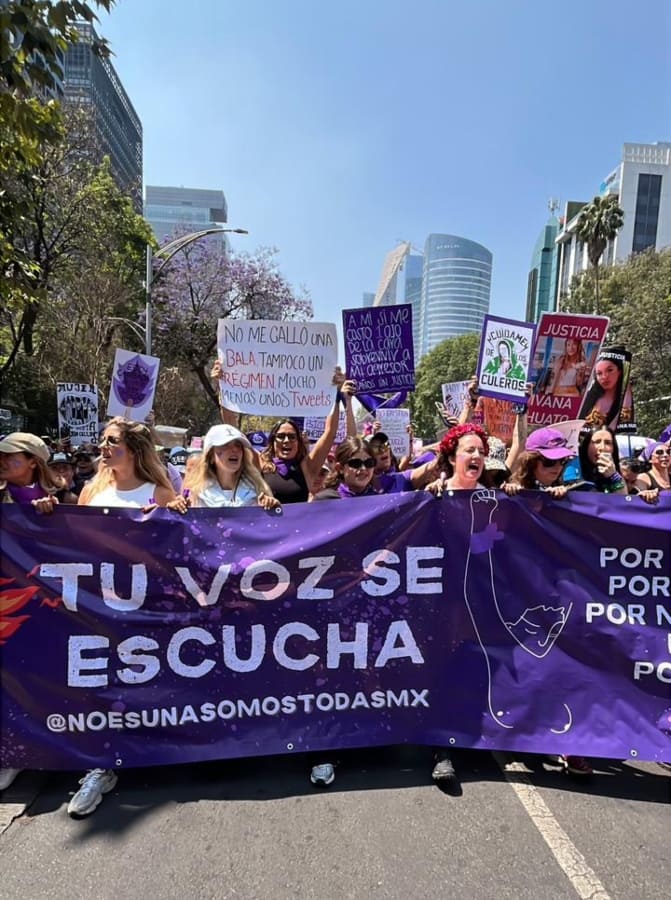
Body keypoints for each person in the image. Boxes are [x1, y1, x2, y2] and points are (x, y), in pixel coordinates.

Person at [70, 419, 176, 817]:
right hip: (95, 603)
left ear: (132, 450)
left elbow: (179, 549)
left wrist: (170, 516)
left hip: (147, 606)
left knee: (146, 680)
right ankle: (101, 766)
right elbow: (70, 543)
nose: (102, 446)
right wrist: (45, 512)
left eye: (111, 441)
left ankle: (157, 749)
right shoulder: (90, 490)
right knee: (100, 682)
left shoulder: (159, 492)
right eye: (103, 440)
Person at [259, 378, 357, 504]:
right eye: (281, 436)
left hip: (299, 517)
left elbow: (330, 433)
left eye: (292, 437)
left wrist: (335, 397)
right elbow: (237, 443)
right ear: (273, 441)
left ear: (298, 442)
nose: (286, 441)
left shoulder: (307, 467)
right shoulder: (261, 463)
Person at [170, 424, 279, 512]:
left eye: (238, 445)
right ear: (211, 456)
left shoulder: (257, 491)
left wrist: (272, 507)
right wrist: (175, 509)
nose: (234, 450)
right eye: (226, 445)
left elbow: (270, 528)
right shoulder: (195, 494)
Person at [0, 432, 66, 513]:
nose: (1, 461)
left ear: (33, 463)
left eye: (8, 455)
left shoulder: (63, 496)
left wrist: (57, 512)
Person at [312, 437, 377, 501]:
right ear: (340, 468)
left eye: (369, 462)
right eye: (356, 463)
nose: (363, 468)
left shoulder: (379, 500)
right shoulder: (324, 500)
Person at [579, 353, 629, 431]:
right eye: (599, 373)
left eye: (610, 370)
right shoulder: (588, 397)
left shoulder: (624, 401)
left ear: (619, 372)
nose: (604, 377)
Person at [577, 428, 627, 494]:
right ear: (586, 446)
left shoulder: (617, 475)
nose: (602, 447)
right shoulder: (575, 470)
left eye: (608, 443)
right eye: (597, 442)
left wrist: (613, 476)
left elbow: (622, 498)